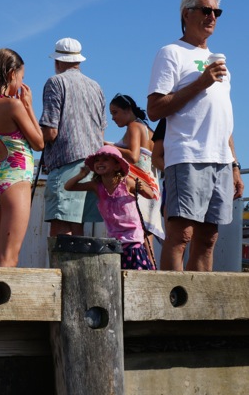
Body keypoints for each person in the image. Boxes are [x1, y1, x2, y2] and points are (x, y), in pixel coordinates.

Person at [147, 0, 244, 272]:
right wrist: (201, 82)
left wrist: (235, 165)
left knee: (208, 238)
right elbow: (154, 109)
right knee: (181, 235)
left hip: (221, 160)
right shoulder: (171, 53)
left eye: (217, 11)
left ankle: (197, 311)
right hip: (188, 154)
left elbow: (223, 118)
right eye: (205, 10)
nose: (212, 16)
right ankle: (169, 308)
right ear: (186, 14)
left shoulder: (221, 63)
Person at [0, 49, 44, 267]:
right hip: (16, 179)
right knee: (8, 257)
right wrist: (28, 105)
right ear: (10, 74)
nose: (22, 83)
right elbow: (39, 142)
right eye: (21, 77)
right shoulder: (13, 105)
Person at [39, 37, 106, 237]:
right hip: (92, 164)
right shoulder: (96, 86)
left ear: (57, 61)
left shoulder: (55, 82)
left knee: (61, 227)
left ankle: (59, 269)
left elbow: (50, 132)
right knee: (78, 228)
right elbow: (101, 132)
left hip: (65, 162)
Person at [65, 145, 155, 270]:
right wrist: (81, 175)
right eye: (97, 160)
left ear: (117, 166)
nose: (100, 163)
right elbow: (68, 187)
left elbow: (150, 195)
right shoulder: (97, 186)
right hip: (114, 242)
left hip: (132, 240)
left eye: (105, 159)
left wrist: (142, 187)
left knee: (135, 276)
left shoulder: (126, 183)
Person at [107, 93, 164, 257]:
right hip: (152, 188)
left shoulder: (133, 127)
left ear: (128, 110)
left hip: (139, 188)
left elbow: (133, 155)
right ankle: (151, 270)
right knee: (148, 236)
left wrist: (106, 146)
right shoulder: (148, 129)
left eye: (115, 112)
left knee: (140, 235)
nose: (113, 118)